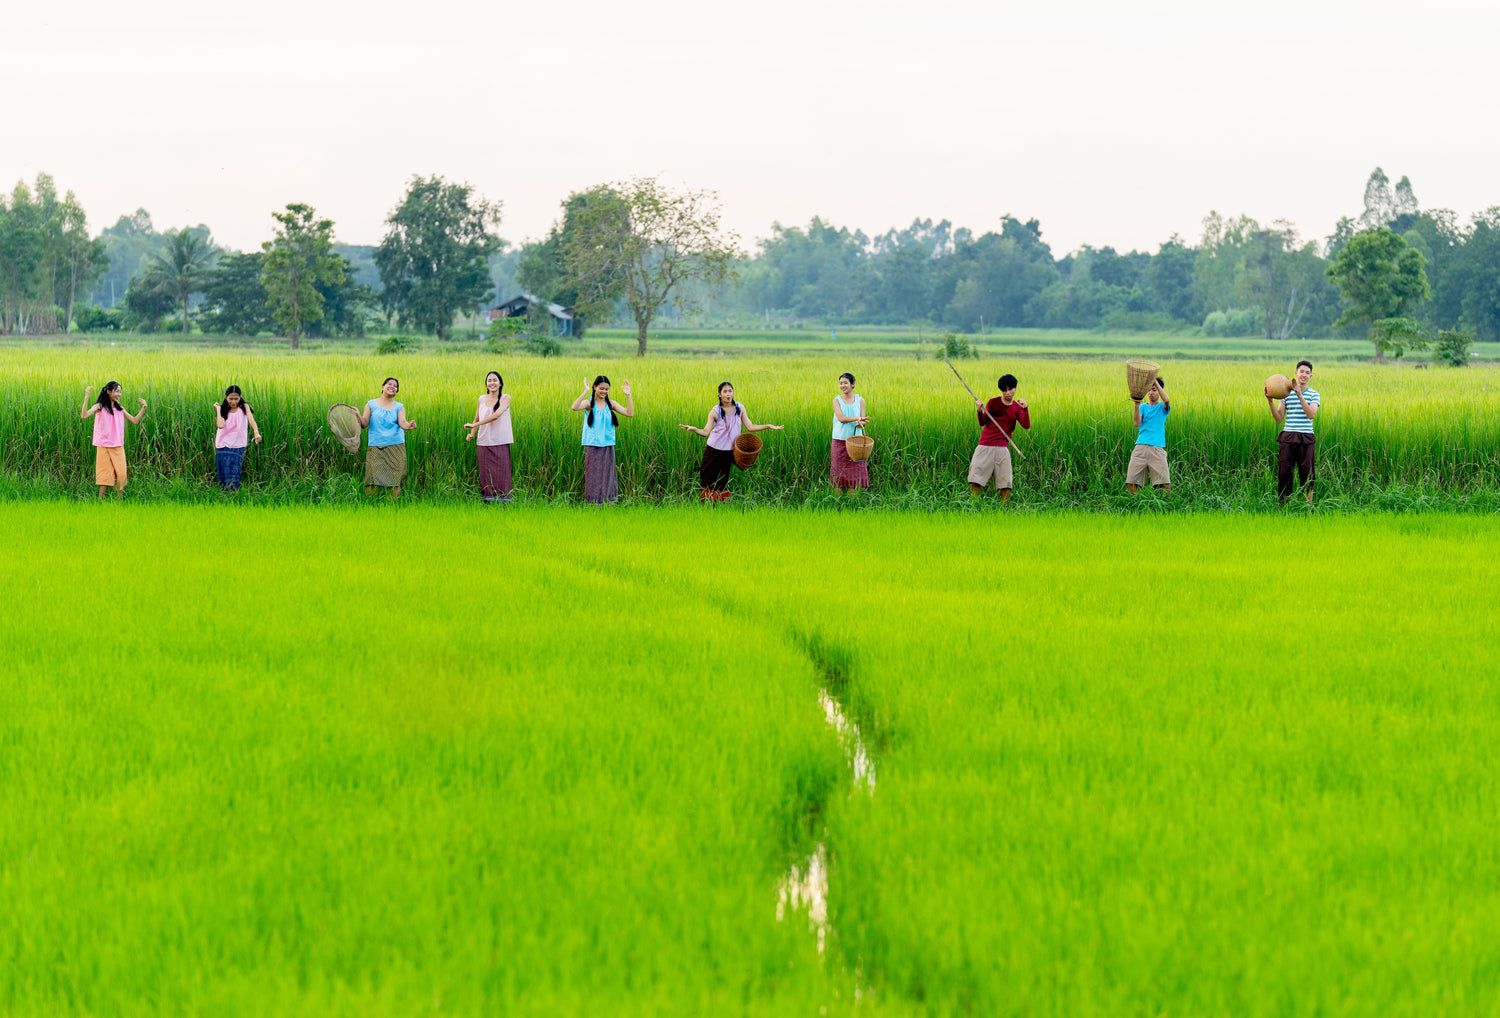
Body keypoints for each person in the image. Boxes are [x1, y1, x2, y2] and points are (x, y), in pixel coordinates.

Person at [678, 381, 784, 501]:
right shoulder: (714, 412)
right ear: (719, 394)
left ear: (733, 393)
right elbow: (705, 432)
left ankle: (720, 505)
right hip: (713, 450)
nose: (728, 394)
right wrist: (694, 429)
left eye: (730, 391)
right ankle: (706, 504)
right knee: (708, 478)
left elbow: (750, 426)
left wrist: (768, 426)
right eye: (725, 391)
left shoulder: (740, 408)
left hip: (729, 451)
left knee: (722, 479)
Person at [571, 375, 634, 504]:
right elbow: (574, 407)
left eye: (606, 389)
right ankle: (593, 503)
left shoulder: (611, 404)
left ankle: (608, 502)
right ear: (595, 387)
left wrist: (628, 395)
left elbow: (630, 413)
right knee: (593, 475)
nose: (604, 391)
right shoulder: (589, 403)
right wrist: (585, 391)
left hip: (607, 444)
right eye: (601, 388)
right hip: (593, 445)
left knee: (607, 475)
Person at [79, 381, 146, 499]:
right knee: (104, 475)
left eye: (120, 392)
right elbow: (84, 415)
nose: (119, 394)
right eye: (116, 391)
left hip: (117, 445)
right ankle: (100, 502)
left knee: (121, 475)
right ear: (109, 392)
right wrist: (86, 396)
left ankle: (117, 503)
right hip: (103, 445)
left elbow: (134, 421)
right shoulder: (100, 406)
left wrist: (144, 408)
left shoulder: (119, 407)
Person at [968, 373, 1029, 502]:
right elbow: (982, 422)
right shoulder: (993, 402)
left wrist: (1025, 409)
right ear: (1001, 390)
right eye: (1004, 390)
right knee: (976, 478)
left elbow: (1026, 425)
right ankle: (972, 506)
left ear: (1015, 388)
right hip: (985, 444)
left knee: (1005, 481)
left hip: (1002, 446)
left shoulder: (1017, 407)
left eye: (1010, 389)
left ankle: (1004, 510)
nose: (1008, 393)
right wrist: (979, 410)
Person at [1267, 360, 1320, 504]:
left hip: (1306, 438)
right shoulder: (1285, 394)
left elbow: (1311, 414)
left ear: (1310, 376)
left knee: (1307, 474)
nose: (1304, 375)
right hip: (1288, 437)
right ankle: (1284, 507)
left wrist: (1300, 396)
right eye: (1301, 371)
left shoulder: (1314, 395)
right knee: (1284, 474)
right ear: (1296, 373)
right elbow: (1278, 419)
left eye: (1307, 373)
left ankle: (1307, 508)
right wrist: (1270, 401)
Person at [357, 376, 416, 497]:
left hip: (395, 446)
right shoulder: (371, 404)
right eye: (389, 384)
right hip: (375, 446)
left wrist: (409, 426)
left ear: (397, 391)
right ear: (382, 387)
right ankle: (371, 506)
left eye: (395, 386)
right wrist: (357, 414)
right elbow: (364, 423)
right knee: (372, 480)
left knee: (394, 481)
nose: (392, 387)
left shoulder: (399, 406)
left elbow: (402, 422)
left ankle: (393, 508)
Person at [463, 370, 513, 503]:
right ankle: (488, 501)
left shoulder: (505, 398)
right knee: (486, 472)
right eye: (489, 380)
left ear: (500, 383)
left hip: (500, 440)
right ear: (486, 384)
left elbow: (496, 415)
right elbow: (476, 417)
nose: (492, 383)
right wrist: (472, 434)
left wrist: (476, 424)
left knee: (502, 472)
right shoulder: (481, 399)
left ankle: (503, 501)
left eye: (495, 380)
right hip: (483, 441)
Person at [213, 384, 262, 493]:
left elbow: (251, 419)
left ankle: (235, 494)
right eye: (231, 399)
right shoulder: (223, 409)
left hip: (237, 444)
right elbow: (220, 425)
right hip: (223, 444)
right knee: (223, 471)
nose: (234, 402)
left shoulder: (244, 407)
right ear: (226, 397)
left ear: (240, 398)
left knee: (234, 470)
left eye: (236, 399)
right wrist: (218, 409)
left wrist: (256, 432)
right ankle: (224, 495)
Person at [1126, 377, 1170, 495]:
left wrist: (1154, 380)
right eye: (1149, 390)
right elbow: (1137, 423)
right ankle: (1134, 505)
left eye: (1154, 390)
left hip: (1157, 448)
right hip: (1140, 447)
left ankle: (1165, 508)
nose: (1151, 393)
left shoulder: (1162, 408)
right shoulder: (1142, 407)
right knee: (1132, 481)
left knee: (1164, 483)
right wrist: (1136, 404)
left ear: (1159, 391)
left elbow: (1166, 400)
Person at [830, 372, 870, 492]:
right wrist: (857, 419)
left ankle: (851, 504)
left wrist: (860, 423)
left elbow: (862, 421)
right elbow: (841, 418)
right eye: (840, 383)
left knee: (854, 475)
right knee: (838, 474)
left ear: (852, 384)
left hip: (855, 442)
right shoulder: (836, 400)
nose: (842, 386)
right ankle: (836, 504)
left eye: (845, 383)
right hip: (839, 441)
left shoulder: (860, 400)